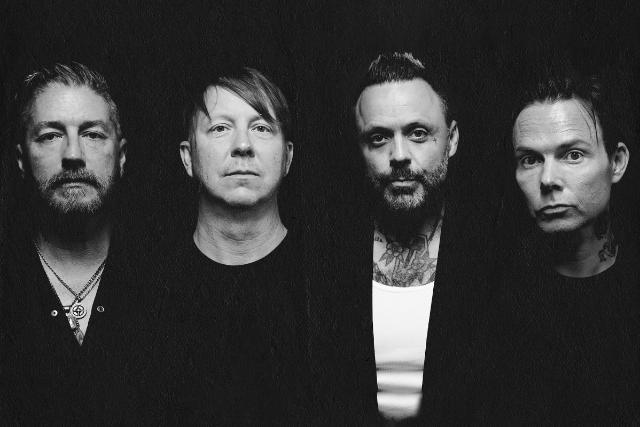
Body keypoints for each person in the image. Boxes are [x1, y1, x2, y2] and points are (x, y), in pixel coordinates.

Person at [309, 52, 494, 426]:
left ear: (452, 139)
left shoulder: (493, 252)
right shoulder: (323, 255)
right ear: (359, 148)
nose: (399, 156)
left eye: (418, 133)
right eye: (378, 138)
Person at [472, 60, 639, 425]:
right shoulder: (493, 308)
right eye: (530, 159)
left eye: (572, 155)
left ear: (616, 162)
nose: (548, 179)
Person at [150, 66, 307, 426]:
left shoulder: (322, 281)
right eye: (220, 128)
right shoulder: (151, 289)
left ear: (288, 157)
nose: (242, 145)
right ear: (187, 157)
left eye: (261, 128)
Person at [0, 62, 150, 425]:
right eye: (51, 135)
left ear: (121, 156)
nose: (72, 154)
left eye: (93, 134)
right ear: (21, 160)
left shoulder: (168, 285)